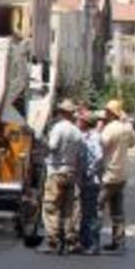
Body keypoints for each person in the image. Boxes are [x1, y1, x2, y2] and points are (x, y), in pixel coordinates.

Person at [38, 99, 84, 255]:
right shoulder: (77, 131)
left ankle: (53, 242)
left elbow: (52, 147)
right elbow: (80, 155)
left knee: (52, 207)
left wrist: (42, 141)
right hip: (71, 172)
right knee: (70, 209)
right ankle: (71, 241)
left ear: (62, 113)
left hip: (56, 172)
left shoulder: (59, 128)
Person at [99, 100, 135, 252]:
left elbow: (101, 145)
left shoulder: (110, 128)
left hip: (108, 175)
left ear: (111, 113)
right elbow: (134, 142)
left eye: (106, 111)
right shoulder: (127, 128)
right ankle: (119, 242)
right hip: (121, 175)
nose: (105, 114)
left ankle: (92, 240)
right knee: (117, 211)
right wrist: (127, 123)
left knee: (97, 207)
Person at [78, 112, 104, 255]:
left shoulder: (94, 137)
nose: (78, 122)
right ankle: (85, 242)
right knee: (86, 212)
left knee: (91, 213)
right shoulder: (85, 136)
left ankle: (93, 244)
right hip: (85, 179)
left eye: (81, 120)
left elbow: (99, 157)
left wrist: (90, 171)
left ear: (86, 123)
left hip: (91, 180)